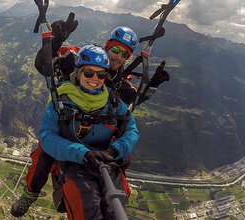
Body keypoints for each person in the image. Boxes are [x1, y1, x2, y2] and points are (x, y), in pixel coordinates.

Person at [11, 15, 168, 217]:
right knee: (46, 151)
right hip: (68, 121)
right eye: (115, 50)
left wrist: (152, 86)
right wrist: (56, 40)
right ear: (107, 46)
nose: (118, 57)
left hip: (95, 130)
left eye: (124, 54)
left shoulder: (122, 80)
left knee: (123, 155)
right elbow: (44, 66)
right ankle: (31, 193)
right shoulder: (80, 57)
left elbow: (133, 103)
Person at [42, 45, 139, 219]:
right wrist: (83, 154)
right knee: (88, 208)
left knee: (115, 208)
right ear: (78, 73)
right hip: (75, 163)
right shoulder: (61, 101)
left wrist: (115, 150)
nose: (95, 78)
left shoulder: (113, 100)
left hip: (108, 161)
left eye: (101, 74)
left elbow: (131, 130)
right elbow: (47, 137)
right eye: (89, 73)